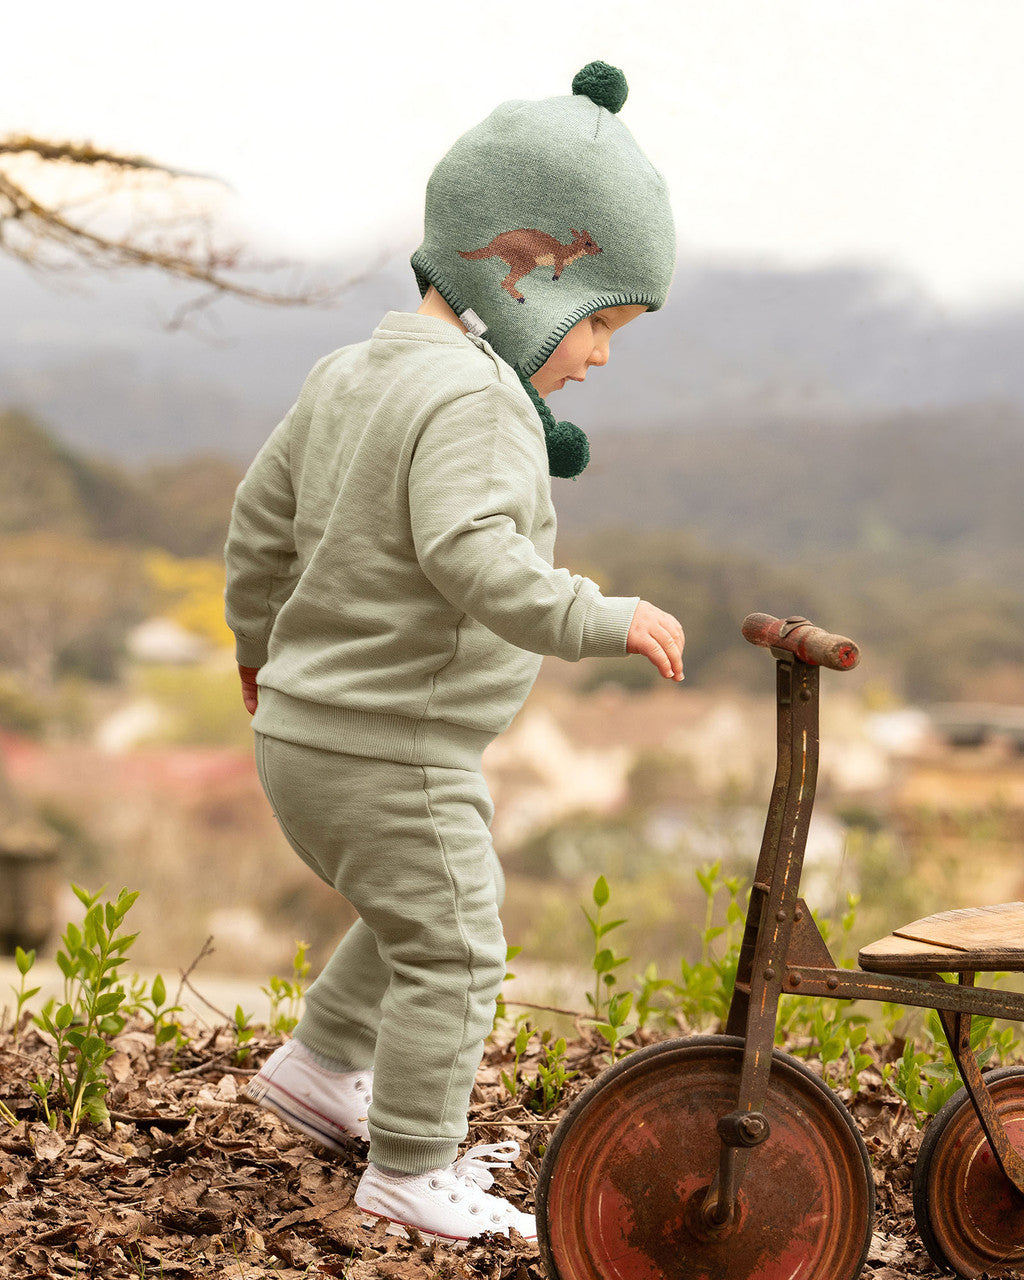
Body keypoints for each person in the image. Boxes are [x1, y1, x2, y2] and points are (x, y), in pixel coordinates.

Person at [223, 60, 682, 1247]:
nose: (600, 358)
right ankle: (411, 1170)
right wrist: (599, 613)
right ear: (525, 276)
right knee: (462, 942)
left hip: (302, 732)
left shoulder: (351, 371)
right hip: (392, 744)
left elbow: (257, 524)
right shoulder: (476, 400)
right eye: (601, 323)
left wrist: (256, 650)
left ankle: (321, 1067)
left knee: (414, 905)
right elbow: (474, 557)